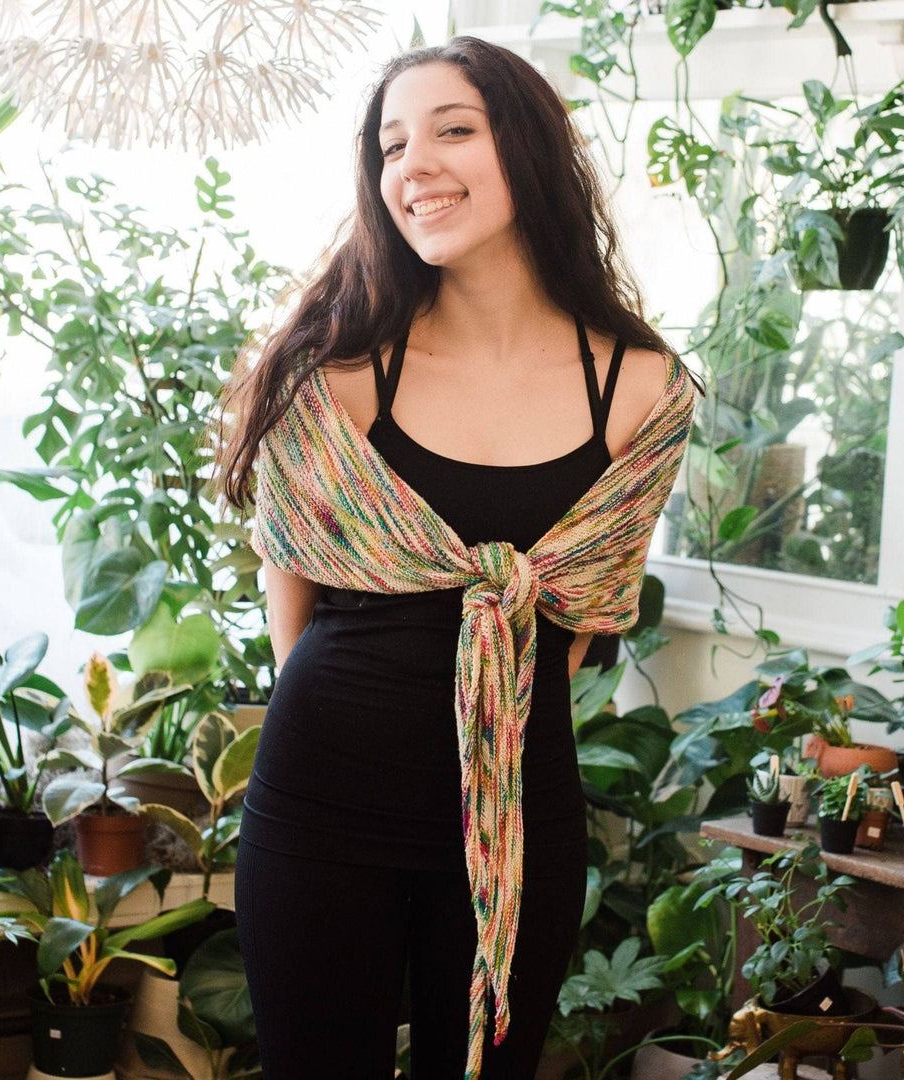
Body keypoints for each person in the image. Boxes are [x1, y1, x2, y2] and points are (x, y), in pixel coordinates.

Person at [216, 35, 696, 1080]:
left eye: (452, 131)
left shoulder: (641, 392)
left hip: (522, 812)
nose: (413, 166)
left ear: (527, 148)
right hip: (321, 803)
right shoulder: (335, 377)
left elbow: (575, 623)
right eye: (391, 145)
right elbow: (291, 609)